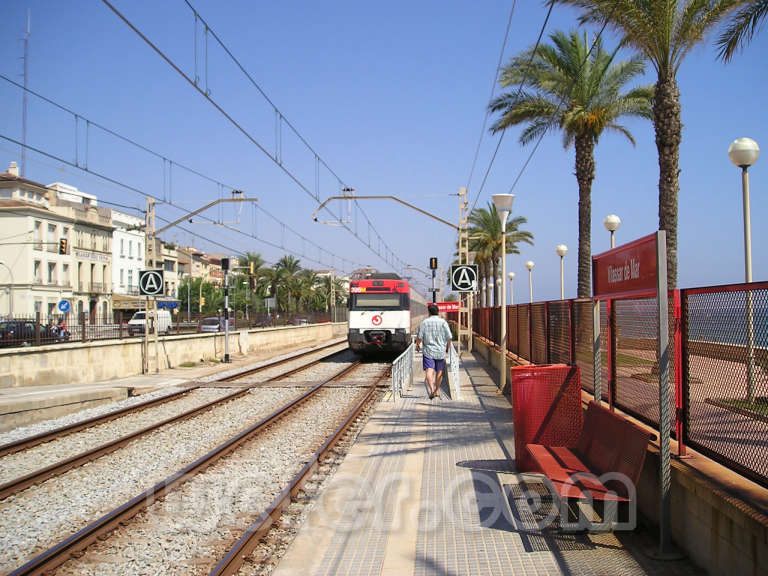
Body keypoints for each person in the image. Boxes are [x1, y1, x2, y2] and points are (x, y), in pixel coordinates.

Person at [415, 304, 452, 399]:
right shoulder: (443, 322)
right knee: (439, 372)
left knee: (429, 371)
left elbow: (419, 337)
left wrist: (418, 345)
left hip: (428, 351)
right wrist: (447, 347)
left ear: (429, 312)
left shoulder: (424, 323)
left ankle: (431, 390)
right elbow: (449, 337)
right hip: (440, 351)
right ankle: (437, 390)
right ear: (438, 312)